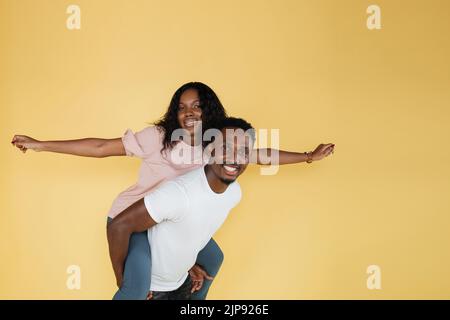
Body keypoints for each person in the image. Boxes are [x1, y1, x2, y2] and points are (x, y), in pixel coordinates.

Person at [11, 82, 335, 299]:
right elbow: (99, 146)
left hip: (173, 221)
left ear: (209, 111)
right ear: (175, 113)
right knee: (136, 289)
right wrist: (41, 144)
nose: (189, 112)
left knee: (213, 259)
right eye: (182, 107)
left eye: (197, 106)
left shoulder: (216, 146)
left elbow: (259, 154)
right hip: (134, 220)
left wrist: (308, 156)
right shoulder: (157, 137)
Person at [107, 117, 255, 299]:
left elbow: (189, 231)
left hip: (180, 284)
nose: (235, 158)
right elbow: (119, 225)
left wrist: (189, 264)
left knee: (215, 259)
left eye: (244, 151)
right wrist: (122, 279)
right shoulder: (178, 193)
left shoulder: (234, 193)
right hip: (151, 290)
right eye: (225, 148)